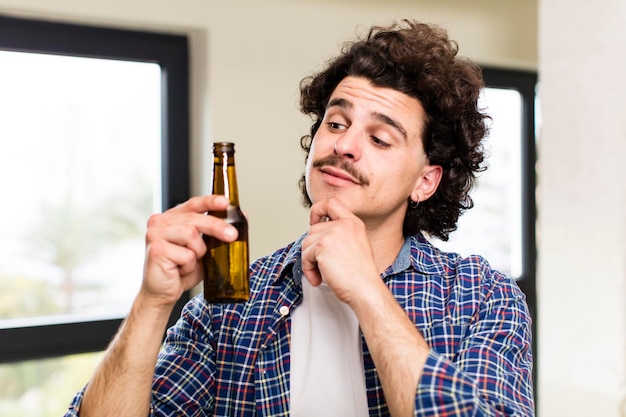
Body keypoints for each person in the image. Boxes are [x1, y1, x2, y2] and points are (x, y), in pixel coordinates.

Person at [65, 19, 534, 416]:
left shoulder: (481, 297)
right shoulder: (229, 307)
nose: (344, 145)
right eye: (335, 123)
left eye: (380, 138)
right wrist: (152, 302)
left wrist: (367, 291)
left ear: (425, 182)